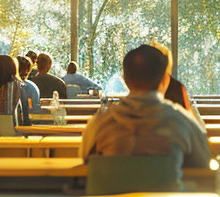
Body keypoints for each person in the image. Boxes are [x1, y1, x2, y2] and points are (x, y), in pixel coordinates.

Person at [79, 43, 209, 185]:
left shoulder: (99, 124)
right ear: (165, 79)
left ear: (125, 80)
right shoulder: (182, 122)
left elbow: (85, 159)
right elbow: (203, 163)